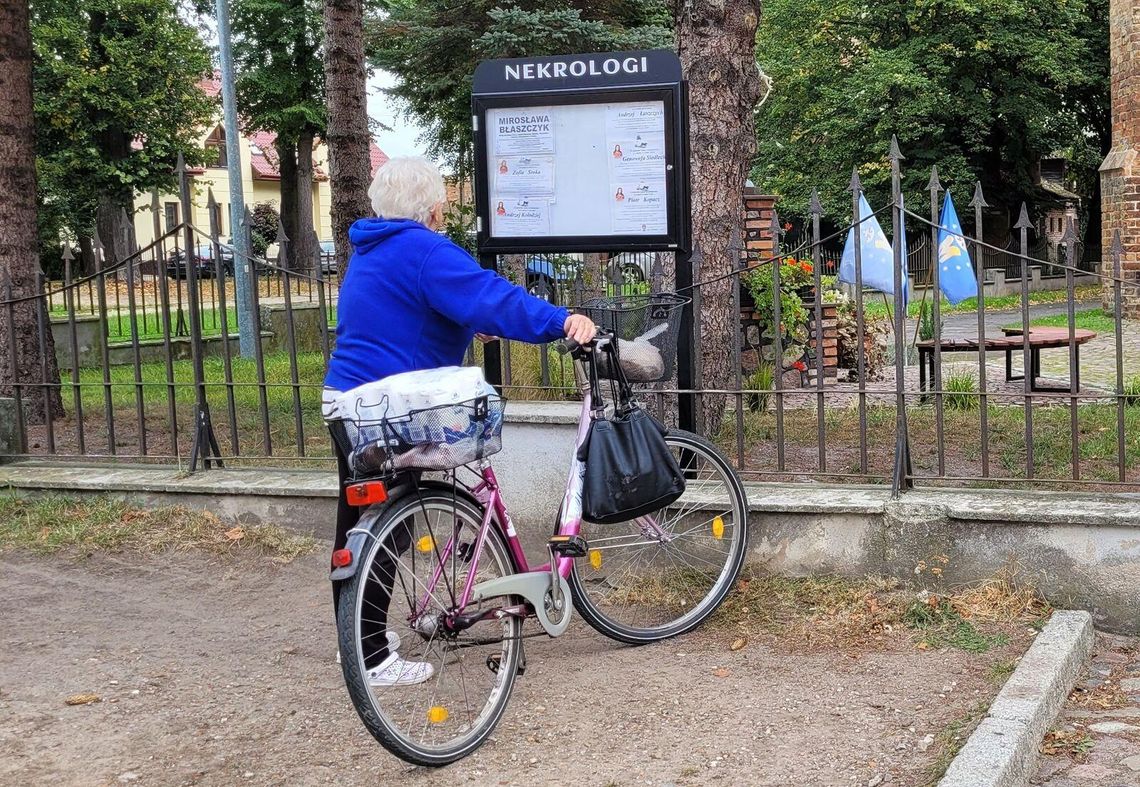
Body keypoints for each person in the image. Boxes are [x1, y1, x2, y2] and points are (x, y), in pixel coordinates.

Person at [322, 157, 595, 688]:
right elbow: (492, 295)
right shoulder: (423, 249)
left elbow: (406, 316)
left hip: (350, 402)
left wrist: (466, 323)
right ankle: (372, 658)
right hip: (393, 410)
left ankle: (356, 642)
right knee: (386, 529)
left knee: (357, 526)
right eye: (442, 202)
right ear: (431, 208)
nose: (444, 211)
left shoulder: (372, 249)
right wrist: (560, 320)